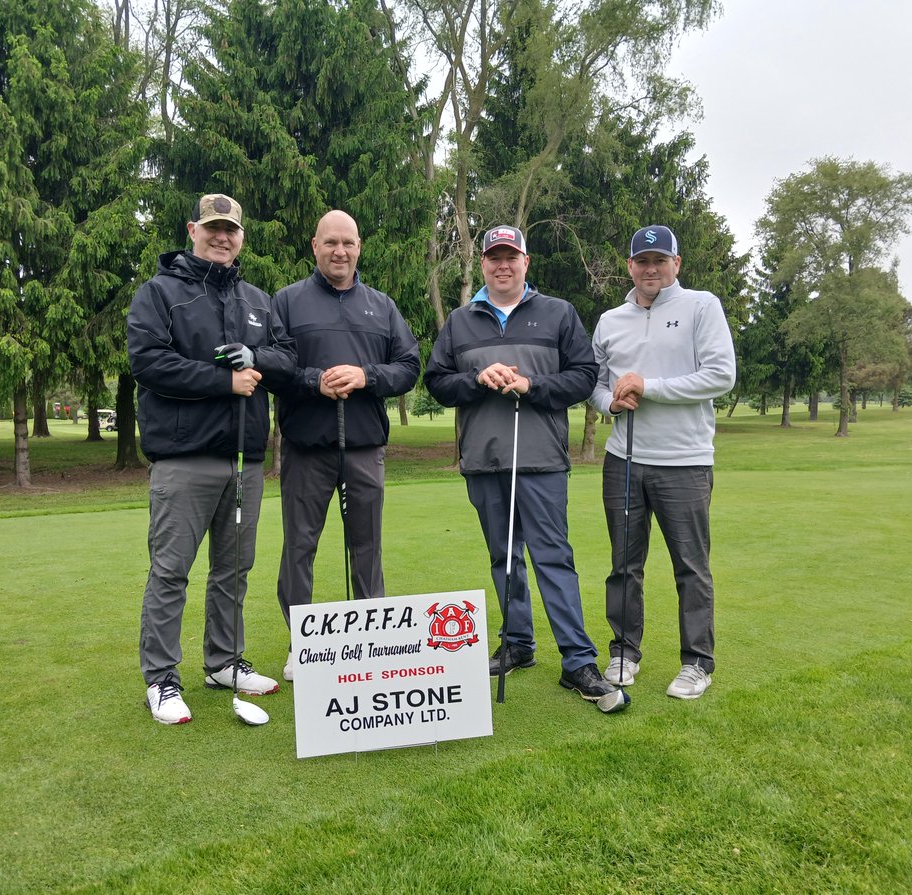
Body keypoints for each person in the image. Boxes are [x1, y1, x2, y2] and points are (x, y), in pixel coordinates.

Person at [424, 225, 626, 711]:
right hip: (484, 459)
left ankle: (577, 661)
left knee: (552, 558)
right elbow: (437, 381)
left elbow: (583, 377)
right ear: (483, 264)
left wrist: (532, 386)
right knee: (504, 558)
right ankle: (518, 643)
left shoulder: (557, 313)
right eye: (493, 257)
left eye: (510, 257)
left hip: (541, 460)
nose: (502, 265)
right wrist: (477, 378)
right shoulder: (460, 321)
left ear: (525, 262)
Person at [127, 192, 296, 725]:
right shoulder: (160, 293)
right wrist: (224, 381)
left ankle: (224, 662)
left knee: (233, 569)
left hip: (245, 460)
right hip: (184, 457)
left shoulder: (257, 301)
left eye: (231, 230)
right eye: (212, 228)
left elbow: (288, 358)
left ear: (241, 237)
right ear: (192, 230)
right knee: (171, 571)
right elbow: (149, 362)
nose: (222, 237)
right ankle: (162, 678)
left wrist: (258, 357)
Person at [272, 210, 420, 680]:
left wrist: (365, 376)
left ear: (359, 248)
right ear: (315, 245)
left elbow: (408, 367)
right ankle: (302, 644)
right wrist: (314, 381)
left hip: (363, 446)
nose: (340, 251)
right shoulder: (287, 301)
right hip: (306, 447)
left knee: (367, 546)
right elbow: (274, 368)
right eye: (331, 242)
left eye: (348, 243)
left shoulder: (382, 306)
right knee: (300, 546)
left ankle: (371, 641)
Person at [591, 225, 736, 701]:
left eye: (659, 260)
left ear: (676, 263)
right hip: (624, 459)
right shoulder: (610, 319)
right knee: (624, 566)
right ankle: (624, 652)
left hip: (684, 461)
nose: (650, 269)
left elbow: (720, 375)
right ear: (630, 266)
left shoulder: (701, 306)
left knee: (690, 567)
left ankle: (697, 663)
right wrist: (610, 404)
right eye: (642, 261)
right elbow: (594, 383)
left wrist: (647, 387)